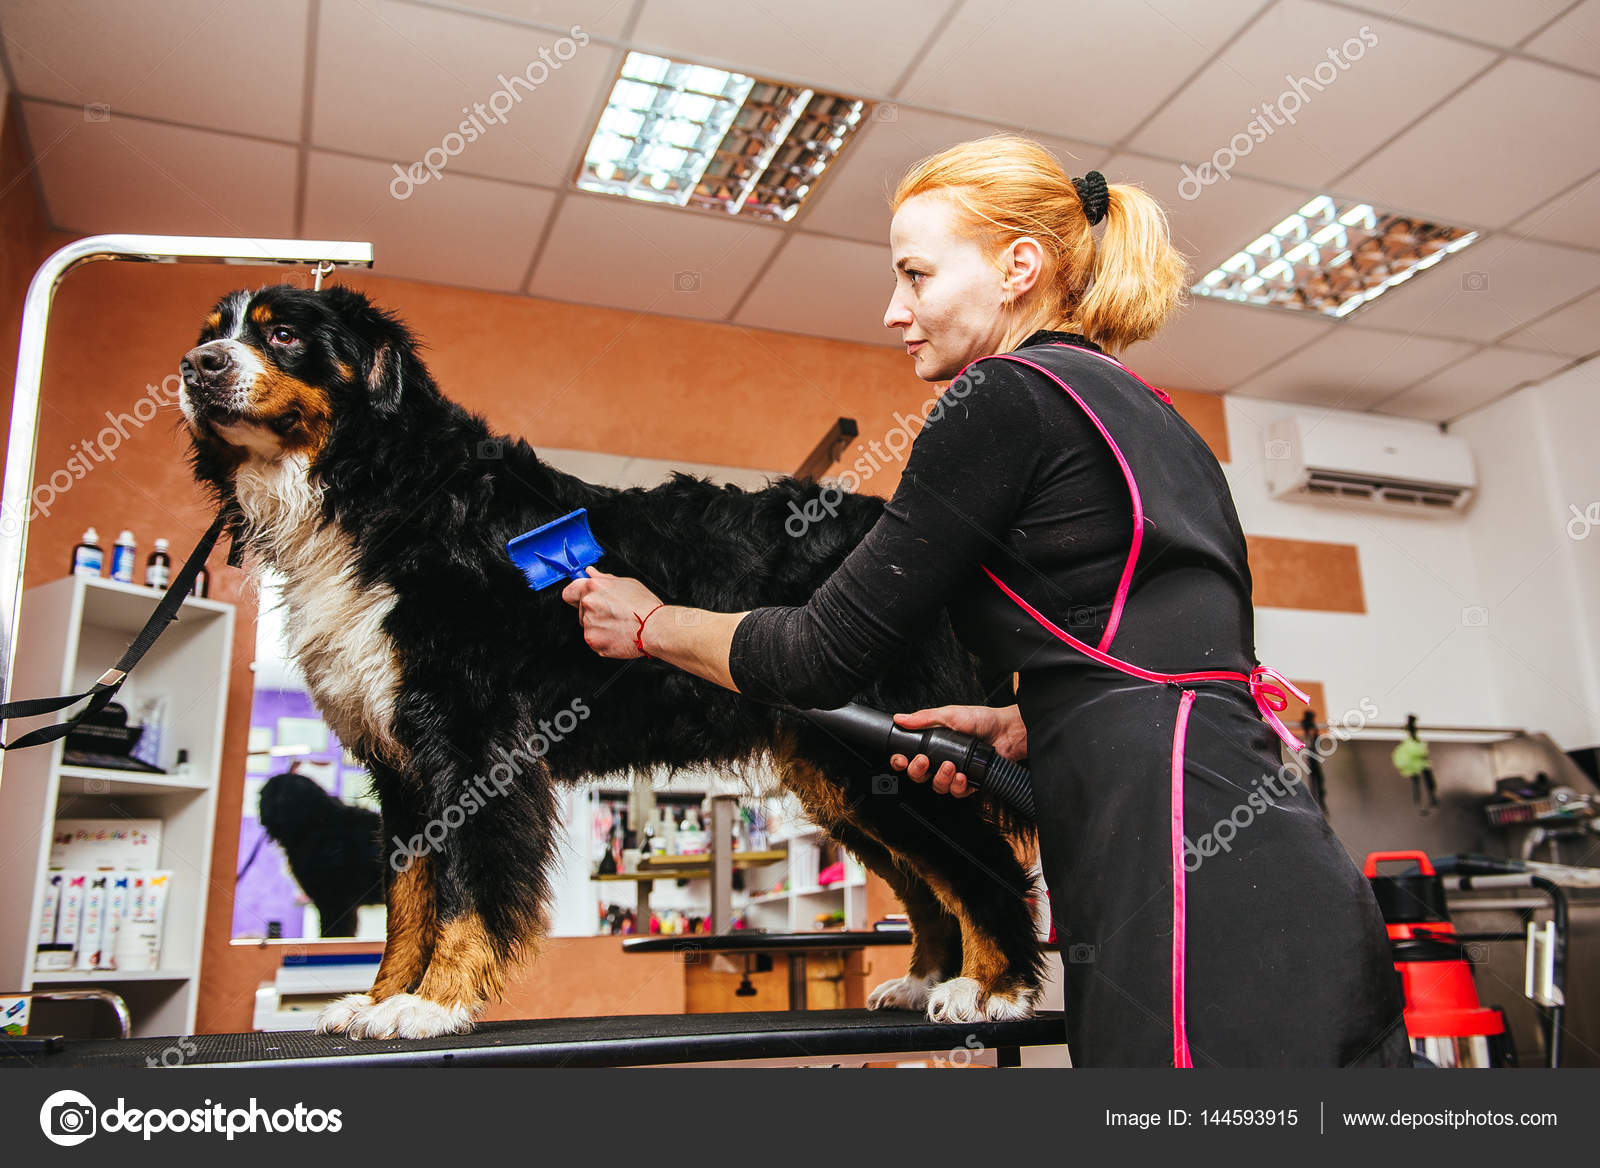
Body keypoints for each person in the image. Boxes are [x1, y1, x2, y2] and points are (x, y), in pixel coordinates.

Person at [563, 134, 1409, 1068]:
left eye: (916, 276)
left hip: (1179, 885)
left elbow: (817, 656)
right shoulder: (1149, 409)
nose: (895, 310)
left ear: (1018, 268)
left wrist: (652, 623)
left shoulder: (999, 397)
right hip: (1268, 855)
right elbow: (1168, 646)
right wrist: (1032, 718)